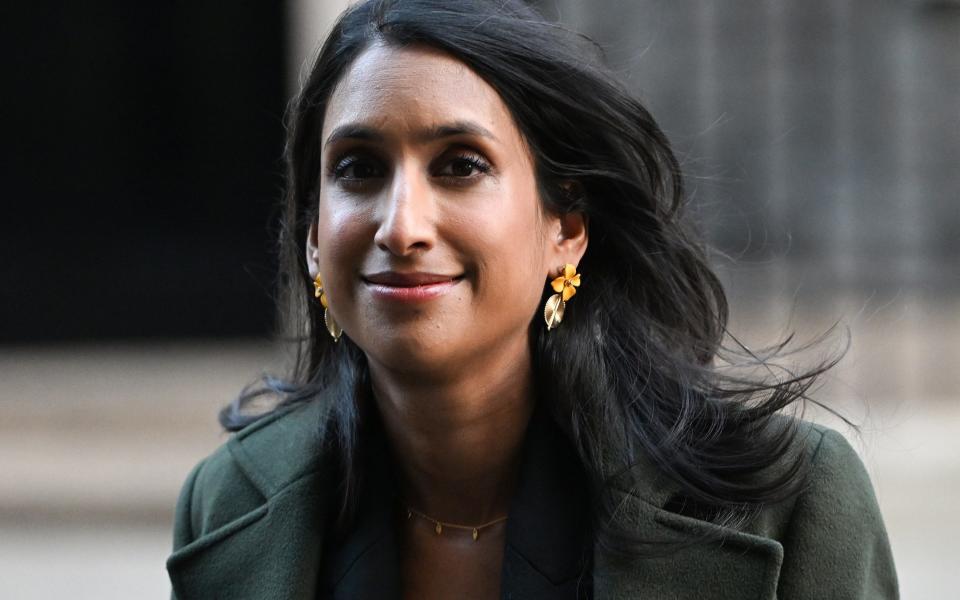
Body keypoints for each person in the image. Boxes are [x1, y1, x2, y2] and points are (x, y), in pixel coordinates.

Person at [165, 1, 898, 598]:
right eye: (358, 169)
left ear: (566, 229)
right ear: (314, 239)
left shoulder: (791, 502)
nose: (402, 226)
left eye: (460, 165)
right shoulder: (229, 504)